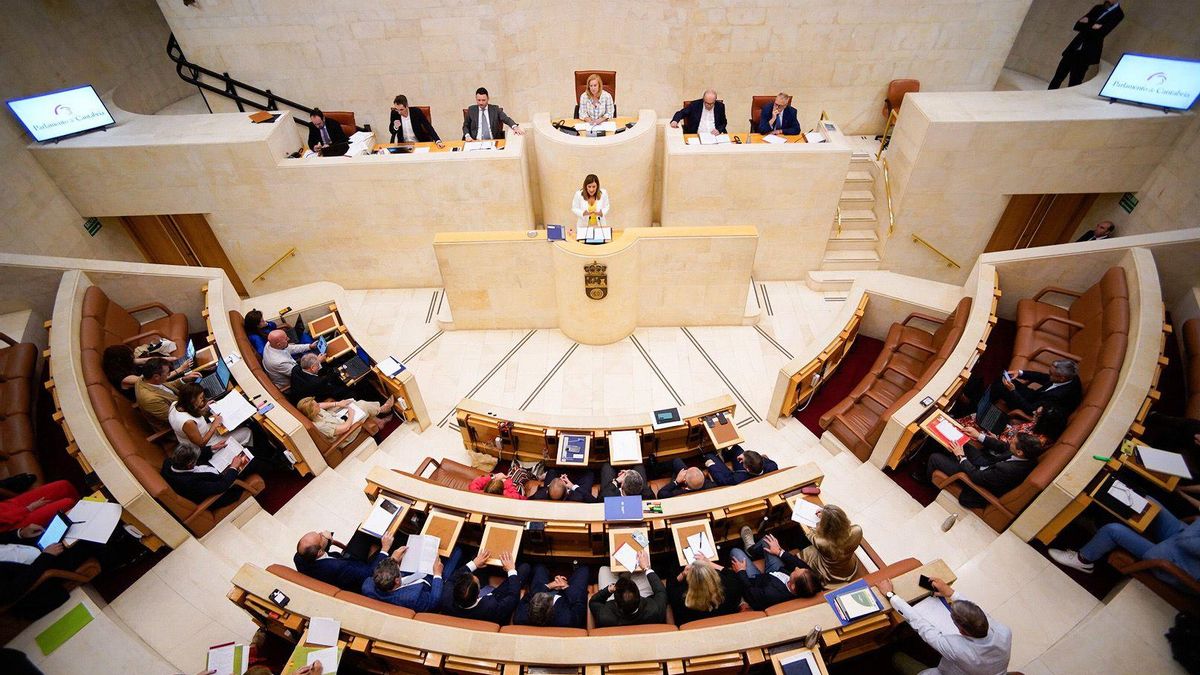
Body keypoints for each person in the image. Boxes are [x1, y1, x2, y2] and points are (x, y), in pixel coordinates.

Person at [1049, 500, 1200, 588]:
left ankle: (1082, 560)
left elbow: (1187, 542)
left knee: (1112, 530)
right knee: (1146, 503)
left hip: (1178, 561)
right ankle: (1095, 518)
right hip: (1183, 534)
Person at [879, 575, 1012, 675]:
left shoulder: (957, 649)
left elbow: (922, 626)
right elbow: (976, 609)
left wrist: (890, 595)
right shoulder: (1004, 632)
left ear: (962, 631)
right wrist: (951, 592)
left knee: (897, 658)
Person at [925, 432, 1046, 508]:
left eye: (1013, 442)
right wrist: (979, 436)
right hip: (986, 465)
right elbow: (1003, 447)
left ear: (1019, 452)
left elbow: (976, 477)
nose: (1009, 442)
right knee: (960, 442)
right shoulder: (1029, 457)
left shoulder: (1007, 470)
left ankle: (929, 482)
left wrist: (961, 456)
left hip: (976, 481)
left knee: (935, 458)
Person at [0, 538, 103, 620]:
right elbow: (12, 590)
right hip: (39, 573)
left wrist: (20, 533)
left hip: (33, 547)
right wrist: (46, 556)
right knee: (84, 543)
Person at [730, 532, 822, 610]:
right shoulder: (810, 580)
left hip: (756, 580)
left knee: (735, 551)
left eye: (796, 572)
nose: (796, 568)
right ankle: (751, 550)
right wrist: (779, 552)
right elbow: (799, 564)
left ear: (793, 587)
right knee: (768, 540)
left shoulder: (772, 594)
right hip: (777, 570)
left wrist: (741, 571)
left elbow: (750, 593)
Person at [1048, 1, 1125, 90]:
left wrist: (1088, 24)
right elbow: (1077, 25)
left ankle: (1068, 102)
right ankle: (1045, 97)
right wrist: (1093, 26)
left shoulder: (1118, 14)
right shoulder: (1098, 8)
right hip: (1074, 47)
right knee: (1058, 76)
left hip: (1087, 52)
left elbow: (1102, 32)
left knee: (1074, 82)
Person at [975, 359, 1083, 420]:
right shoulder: (1071, 377)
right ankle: (983, 402)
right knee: (1002, 378)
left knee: (1000, 386)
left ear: (1062, 378)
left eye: (1051, 374)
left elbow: (1029, 409)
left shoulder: (1058, 397)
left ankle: (978, 409)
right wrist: (1021, 373)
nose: (1049, 376)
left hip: (1032, 406)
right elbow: (1043, 377)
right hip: (1037, 396)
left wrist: (1013, 391)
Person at [442, 549, 527, 623]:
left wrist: (474, 564)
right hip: (495, 597)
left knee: (476, 555)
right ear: (479, 592)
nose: (474, 576)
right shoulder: (491, 607)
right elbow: (513, 596)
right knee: (525, 568)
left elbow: (451, 579)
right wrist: (511, 569)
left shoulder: (447, 599)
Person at [169, 383, 255, 454]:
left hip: (204, 431)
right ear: (192, 400)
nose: (203, 400)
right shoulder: (188, 422)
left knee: (237, 424)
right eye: (201, 398)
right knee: (247, 432)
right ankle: (249, 452)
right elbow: (201, 444)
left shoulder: (175, 404)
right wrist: (214, 425)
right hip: (207, 445)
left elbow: (190, 413)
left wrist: (204, 408)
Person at [589, 549, 668, 627]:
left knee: (604, 569)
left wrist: (608, 590)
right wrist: (646, 568)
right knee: (643, 573)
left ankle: (623, 573)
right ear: (639, 596)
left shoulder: (604, 616)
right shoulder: (655, 610)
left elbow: (593, 602)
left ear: (616, 603)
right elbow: (661, 591)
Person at [361, 542, 448, 612]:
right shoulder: (413, 598)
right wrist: (437, 574)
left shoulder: (368, 585)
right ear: (397, 581)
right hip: (430, 582)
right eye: (398, 567)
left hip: (412, 574)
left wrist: (393, 559)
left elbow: (378, 571)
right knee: (457, 552)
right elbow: (434, 601)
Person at [160, 443, 251, 507]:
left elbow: (192, 455)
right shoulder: (190, 483)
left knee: (243, 448)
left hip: (210, 471)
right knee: (253, 462)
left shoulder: (169, 463)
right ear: (190, 465)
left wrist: (212, 448)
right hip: (221, 488)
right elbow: (221, 486)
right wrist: (233, 467)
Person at [294, 530, 388, 592]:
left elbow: (316, 549)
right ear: (319, 552)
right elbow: (371, 572)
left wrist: (328, 541)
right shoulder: (339, 568)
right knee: (390, 543)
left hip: (343, 562)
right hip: (360, 572)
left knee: (363, 531)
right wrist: (384, 549)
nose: (323, 532)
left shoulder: (299, 557)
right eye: (321, 536)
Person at [666, 552, 742, 625]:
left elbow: (670, 585)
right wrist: (709, 562)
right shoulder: (731, 585)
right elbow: (729, 572)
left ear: (690, 579)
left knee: (674, 565)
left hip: (695, 622)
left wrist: (683, 573)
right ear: (713, 573)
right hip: (722, 618)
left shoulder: (682, 599)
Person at [798, 504, 863, 584]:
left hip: (829, 575)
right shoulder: (857, 530)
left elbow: (810, 533)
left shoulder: (822, 542)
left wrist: (821, 520)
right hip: (848, 567)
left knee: (803, 553)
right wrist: (828, 516)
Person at [104, 344, 191, 401]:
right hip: (152, 389)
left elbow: (144, 360)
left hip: (155, 377)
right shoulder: (125, 379)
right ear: (122, 361)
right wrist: (180, 369)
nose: (133, 358)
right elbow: (153, 380)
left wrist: (165, 360)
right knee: (186, 371)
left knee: (179, 364)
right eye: (130, 357)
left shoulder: (124, 365)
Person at [957, 405, 1068, 449]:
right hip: (1002, 431)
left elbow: (1009, 451)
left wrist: (988, 438)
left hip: (995, 445)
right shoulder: (1040, 426)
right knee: (980, 414)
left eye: (1037, 415)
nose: (1033, 412)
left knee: (964, 430)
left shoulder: (1036, 442)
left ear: (1044, 422)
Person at [515, 563, 590, 628]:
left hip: (547, 587)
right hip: (567, 598)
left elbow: (529, 596)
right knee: (584, 570)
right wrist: (565, 586)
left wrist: (550, 586)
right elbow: (579, 602)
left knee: (539, 568)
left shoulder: (520, 617)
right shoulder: (568, 620)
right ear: (551, 609)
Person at [297, 396, 395, 445]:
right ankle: (382, 409)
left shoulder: (314, 411)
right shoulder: (321, 426)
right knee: (363, 406)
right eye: (317, 405)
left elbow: (322, 405)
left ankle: (379, 419)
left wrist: (338, 404)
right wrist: (351, 415)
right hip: (346, 434)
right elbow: (345, 428)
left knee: (355, 403)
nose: (319, 405)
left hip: (338, 418)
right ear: (312, 411)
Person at [134, 357, 196, 429]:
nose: (169, 374)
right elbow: (175, 418)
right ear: (156, 377)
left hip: (182, 402)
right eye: (167, 373)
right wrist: (198, 405)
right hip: (182, 424)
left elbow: (166, 387)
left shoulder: (144, 378)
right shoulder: (151, 400)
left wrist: (183, 380)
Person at [0, 480, 79, 533]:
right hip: (10, 526)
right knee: (67, 503)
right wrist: (28, 509)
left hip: (8, 506)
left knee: (63, 485)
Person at [289, 353, 355, 403]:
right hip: (311, 401)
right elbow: (329, 389)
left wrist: (318, 361)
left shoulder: (295, 369)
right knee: (348, 388)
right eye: (318, 365)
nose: (319, 366)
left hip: (298, 395)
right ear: (312, 367)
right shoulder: (317, 382)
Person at [705, 445, 778, 486]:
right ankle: (725, 455)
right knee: (736, 448)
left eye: (742, 460)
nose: (740, 456)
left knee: (709, 455)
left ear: (747, 469)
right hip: (750, 470)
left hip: (740, 475)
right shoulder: (772, 466)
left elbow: (722, 480)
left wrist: (711, 465)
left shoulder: (737, 479)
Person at [529, 469, 595, 502]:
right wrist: (572, 486)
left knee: (551, 471)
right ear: (567, 491)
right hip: (576, 491)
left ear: (547, 489)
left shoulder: (539, 495)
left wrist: (558, 484)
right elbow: (593, 500)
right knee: (589, 473)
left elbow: (528, 500)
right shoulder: (579, 497)